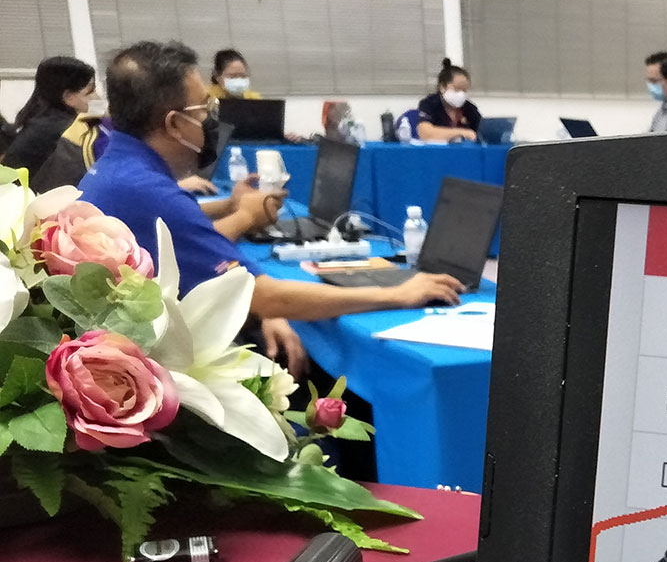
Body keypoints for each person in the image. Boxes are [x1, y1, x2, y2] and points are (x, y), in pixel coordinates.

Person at [79, 41, 462, 373]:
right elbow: (263, 294)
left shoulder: (118, 168)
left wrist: (265, 302)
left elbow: (186, 239)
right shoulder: (149, 190)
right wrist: (397, 293)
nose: (211, 121)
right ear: (175, 124)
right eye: (204, 110)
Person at [2, 56, 99, 173]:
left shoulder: (37, 117)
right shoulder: (65, 131)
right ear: (68, 97)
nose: (97, 97)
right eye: (90, 91)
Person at [416, 59, 481, 142]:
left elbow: (480, 133)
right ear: (442, 87)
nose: (461, 94)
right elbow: (425, 133)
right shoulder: (429, 104)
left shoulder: (470, 109)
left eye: (464, 90)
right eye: (457, 89)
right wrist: (461, 132)